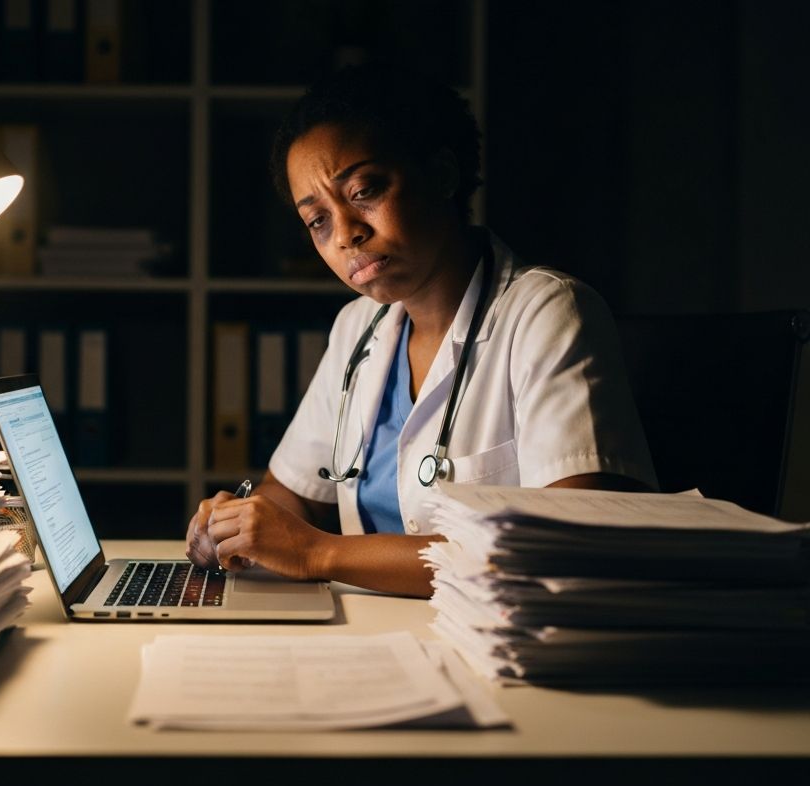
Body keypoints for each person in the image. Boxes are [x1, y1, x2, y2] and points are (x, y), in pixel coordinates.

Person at [186, 61, 657, 597]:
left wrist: (318, 552)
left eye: (364, 191)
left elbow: (572, 547)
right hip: (380, 633)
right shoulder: (358, 328)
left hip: (505, 647)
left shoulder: (547, 313)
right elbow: (294, 492)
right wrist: (242, 523)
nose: (346, 234)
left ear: (441, 176)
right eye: (318, 219)